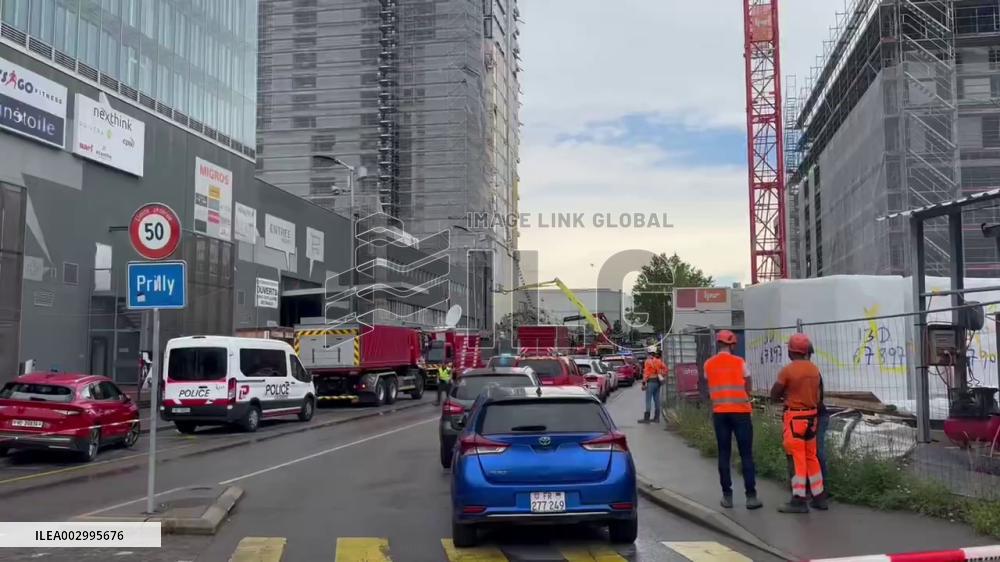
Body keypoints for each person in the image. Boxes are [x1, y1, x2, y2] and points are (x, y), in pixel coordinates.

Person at [704, 330, 762, 510]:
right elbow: (748, 380)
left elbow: (709, 383)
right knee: (746, 454)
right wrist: (747, 394)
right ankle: (751, 496)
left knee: (724, 453)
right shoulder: (739, 362)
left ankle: (727, 496)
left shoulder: (708, 364)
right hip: (741, 412)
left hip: (720, 413)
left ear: (718, 344)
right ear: (732, 345)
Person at [771, 333, 828, 513]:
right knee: (811, 457)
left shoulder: (787, 371)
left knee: (797, 459)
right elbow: (819, 396)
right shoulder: (814, 369)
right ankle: (819, 497)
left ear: (791, 351)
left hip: (795, 418)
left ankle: (799, 500)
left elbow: (775, 393)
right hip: (812, 418)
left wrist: (783, 395)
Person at [638, 347, 667, 424]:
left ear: (649, 353)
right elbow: (665, 369)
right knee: (656, 399)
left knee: (648, 400)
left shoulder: (647, 362)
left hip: (650, 382)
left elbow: (646, 373)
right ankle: (656, 418)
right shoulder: (659, 361)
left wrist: (644, 383)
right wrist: (661, 375)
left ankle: (647, 418)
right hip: (658, 382)